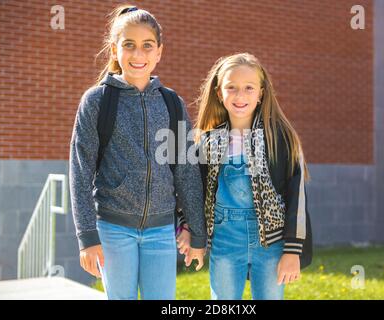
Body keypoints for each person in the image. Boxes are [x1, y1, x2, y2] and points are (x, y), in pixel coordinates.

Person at [69, 5, 206, 300]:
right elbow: (80, 172)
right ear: (115, 49)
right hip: (113, 230)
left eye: (147, 46)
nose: (138, 55)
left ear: (159, 52)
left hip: (160, 232)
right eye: (128, 45)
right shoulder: (97, 101)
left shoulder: (172, 103)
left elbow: (187, 170)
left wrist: (197, 230)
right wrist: (87, 237)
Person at [194, 53, 312, 300]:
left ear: (261, 93)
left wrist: (292, 251)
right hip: (225, 240)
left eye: (249, 88)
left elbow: (297, 198)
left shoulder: (280, 138)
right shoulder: (208, 141)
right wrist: (193, 234)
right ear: (219, 93)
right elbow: (195, 193)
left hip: (271, 244)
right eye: (231, 87)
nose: (240, 95)